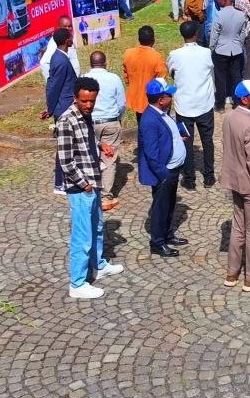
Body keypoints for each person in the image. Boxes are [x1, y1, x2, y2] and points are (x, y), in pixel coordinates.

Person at [56, 76, 123, 299]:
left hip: (92, 182)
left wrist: (100, 145)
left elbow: (85, 141)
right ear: (76, 98)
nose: (89, 105)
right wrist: (84, 185)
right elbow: (65, 162)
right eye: (84, 101)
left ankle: (99, 265)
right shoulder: (67, 121)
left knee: (96, 228)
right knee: (82, 236)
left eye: (92, 101)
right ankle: (77, 283)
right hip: (81, 187)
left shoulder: (86, 116)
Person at [220, 80, 250, 291]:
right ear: (245, 99)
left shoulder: (229, 117)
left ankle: (232, 272)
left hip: (234, 180)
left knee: (238, 226)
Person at [138, 78, 189, 258]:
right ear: (161, 99)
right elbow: (151, 153)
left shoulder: (162, 112)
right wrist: (163, 174)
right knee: (160, 208)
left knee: (169, 206)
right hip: (164, 173)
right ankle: (157, 242)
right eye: (169, 95)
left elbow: (165, 136)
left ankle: (168, 235)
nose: (172, 97)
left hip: (173, 169)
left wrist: (177, 139)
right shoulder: (150, 120)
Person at [167, 21, 216, 190]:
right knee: (207, 141)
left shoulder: (175, 54)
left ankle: (189, 179)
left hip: (184, 106)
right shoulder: (206, 53)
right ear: (196, 34)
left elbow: (171, 71)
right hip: (204, 103)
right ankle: (209, 176)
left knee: (185, 141)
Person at [84, 51, 127, 212]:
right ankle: (106, 196)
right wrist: (118, 118)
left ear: (90, 63)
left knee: (90, 156)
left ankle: (90, 189)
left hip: (90, 122)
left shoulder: (84, 78)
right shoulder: (114, 78)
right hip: (110, 122)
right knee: (109, 159)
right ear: (105, 63)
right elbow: (122, 103)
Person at [209, 0, 248, 111]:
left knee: (220, 78)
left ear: (225, 1)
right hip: (236, 49)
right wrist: (239, 44)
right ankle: (237, 102)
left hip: (221, 49)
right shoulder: (241, 15)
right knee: (236, 77)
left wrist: (212, 48)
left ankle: (220, 104)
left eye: (220, 0)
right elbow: (242, 33)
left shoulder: (219, 15)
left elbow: (214, 34)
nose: (218, 2)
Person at [122, 26, 166, 119]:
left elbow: (126, 76)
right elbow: (161, 80)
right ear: (153, 40)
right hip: (152, 101)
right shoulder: (156, 57)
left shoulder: (128, 53)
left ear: (139, 39)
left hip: (136, 98)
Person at [40, 16, 80, 84]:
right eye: (65, 26)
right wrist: (51, 83)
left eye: (70, 26)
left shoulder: (68, 38)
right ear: (58, 27)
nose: (68, 29)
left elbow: (73, 59)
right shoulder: (56, 42)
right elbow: (44, 63)